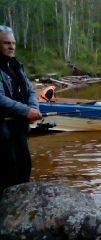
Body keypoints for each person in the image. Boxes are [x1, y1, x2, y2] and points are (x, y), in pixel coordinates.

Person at [0, 25, 42, 194]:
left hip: (19, 130)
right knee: (8, 175)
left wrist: (33, 108)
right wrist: (26, 111)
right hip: (2, 133)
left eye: (13, 43)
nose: (11, 47)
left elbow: (30, 90)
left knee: (24, 169)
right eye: (6, 43)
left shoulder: (17, 65)